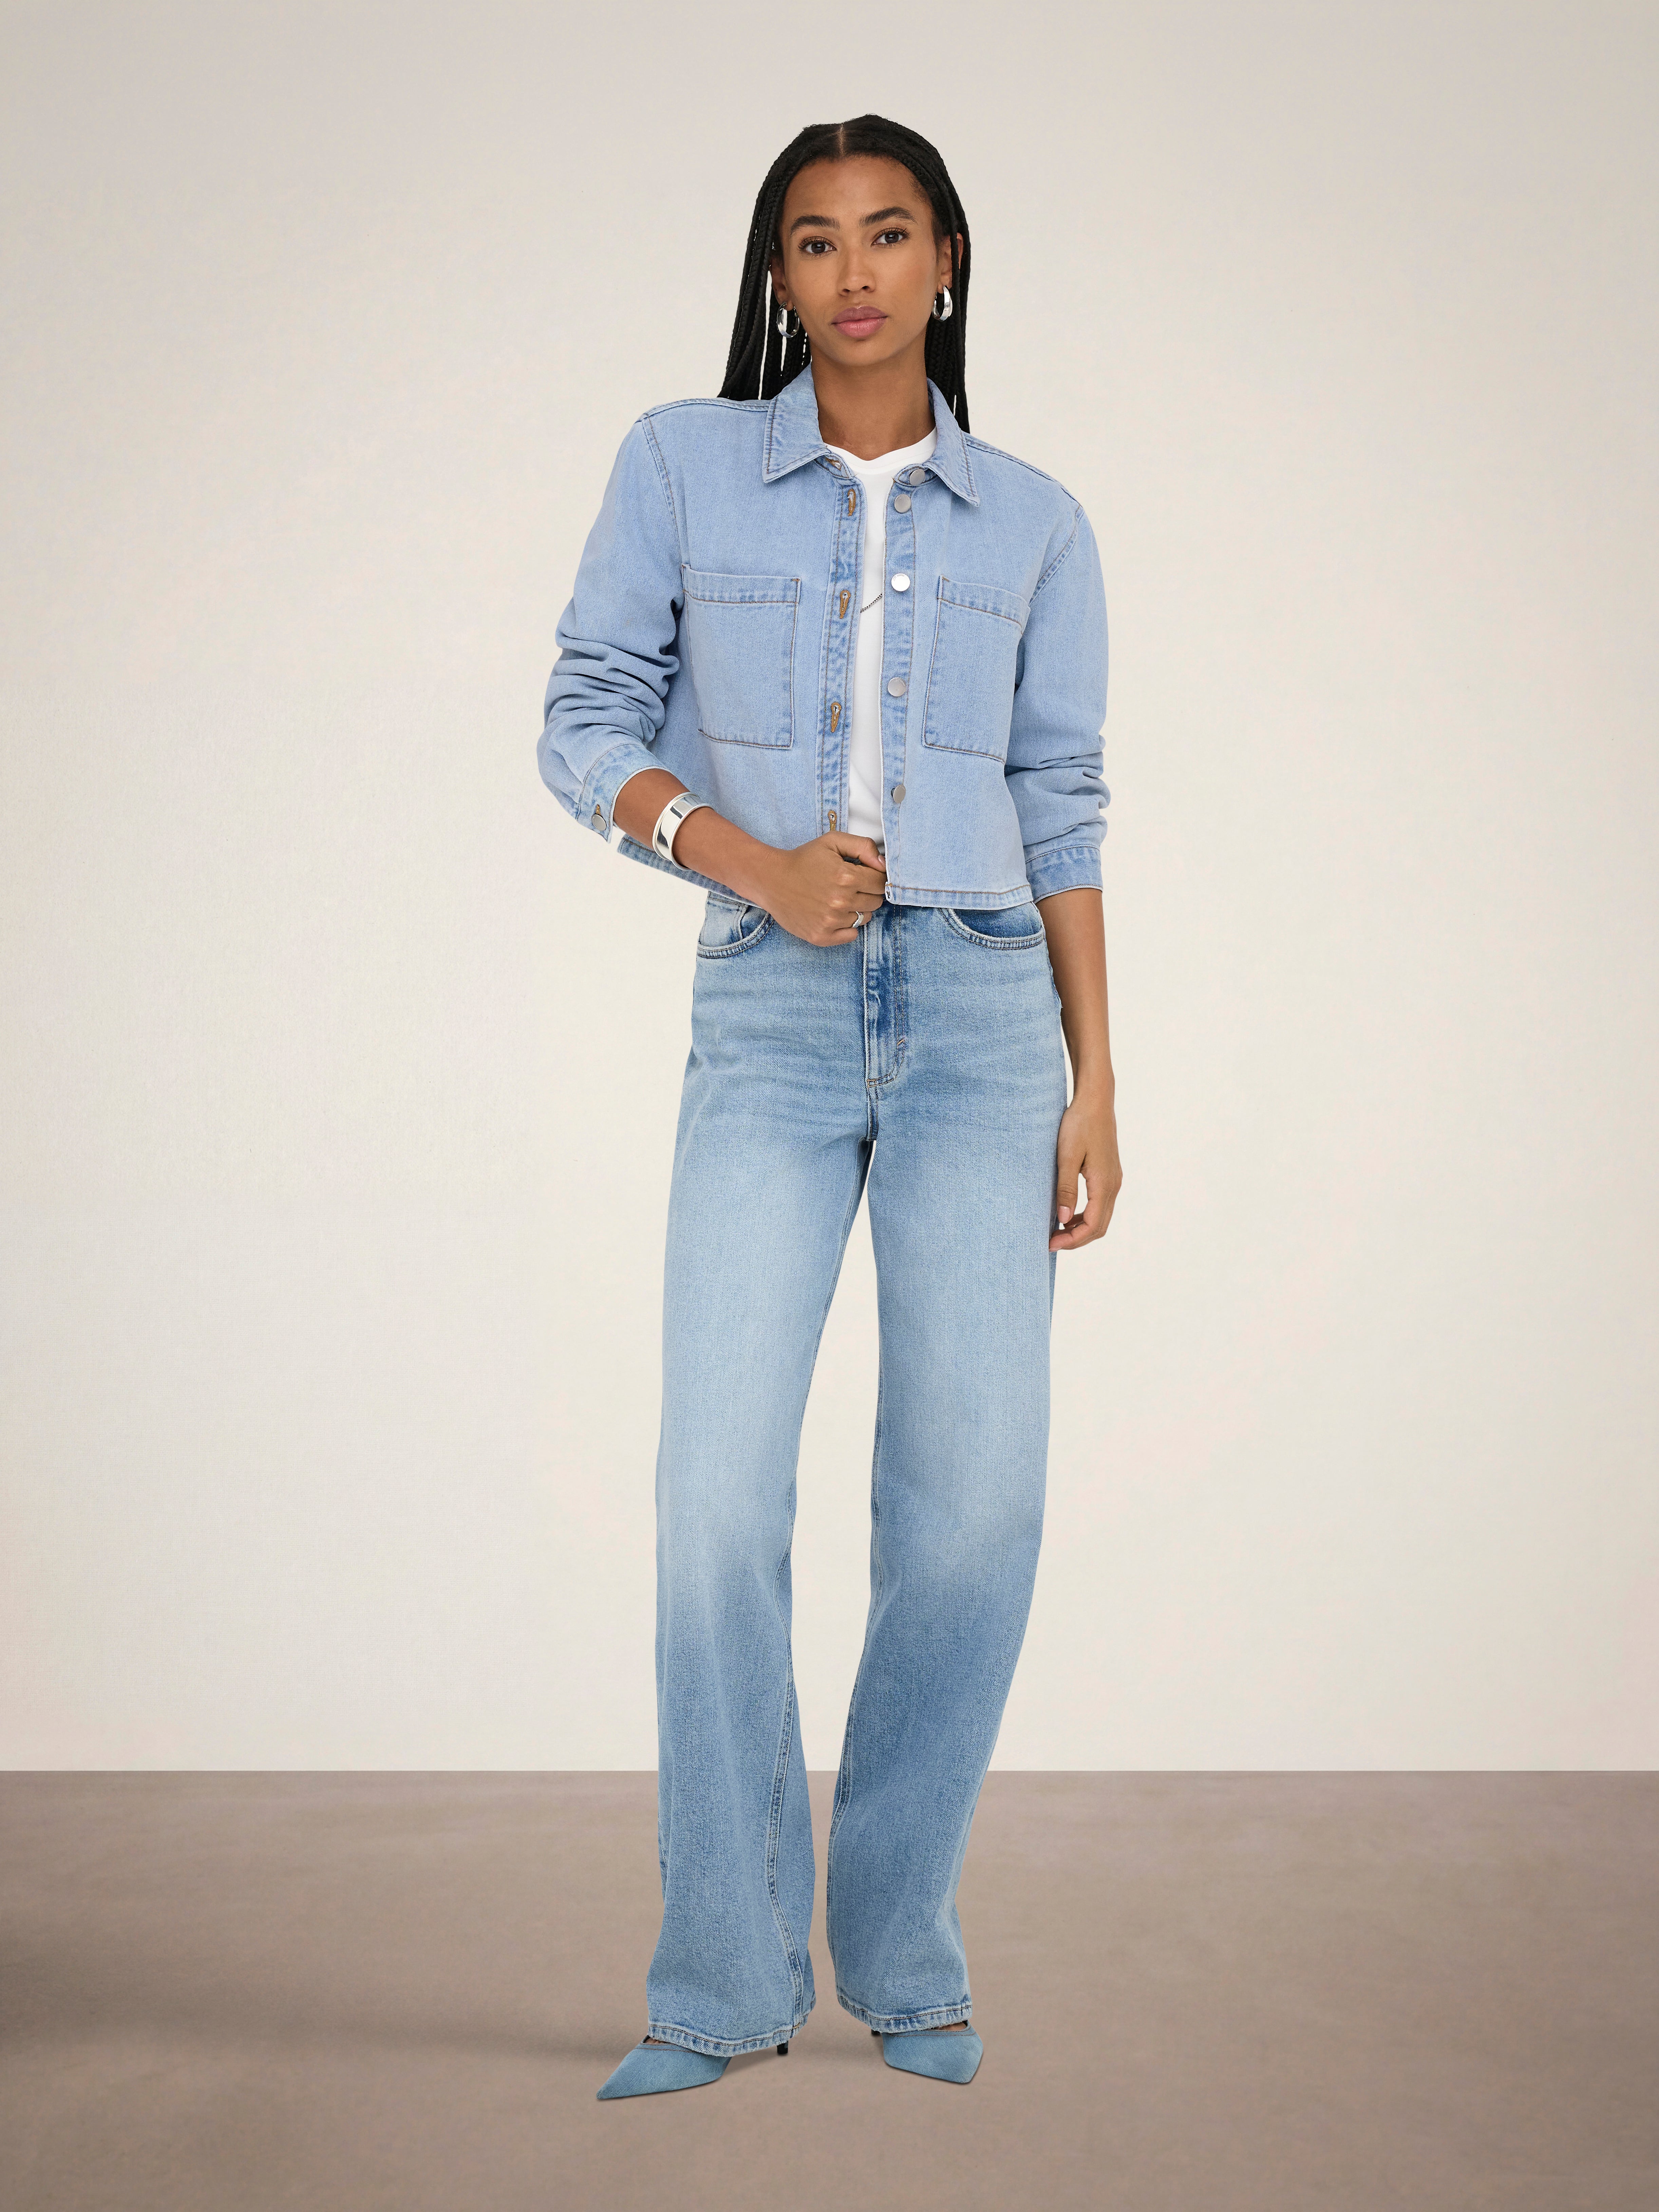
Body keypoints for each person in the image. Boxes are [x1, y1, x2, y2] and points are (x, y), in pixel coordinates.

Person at [537, 114, 1122, 2100]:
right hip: (770, 1015)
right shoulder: (681, 465)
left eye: (887, 233)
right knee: (715, 1503)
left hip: (985, 1021)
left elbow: (1063, 802)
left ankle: (899, 1942)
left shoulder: (1037, 521)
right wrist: (751, 862)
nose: (853, 271)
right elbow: (583, 720)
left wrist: (1098, 1079)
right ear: (777, 274)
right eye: (813, 240)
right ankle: (719, 1977)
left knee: (975, 1509)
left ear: (947, 259)